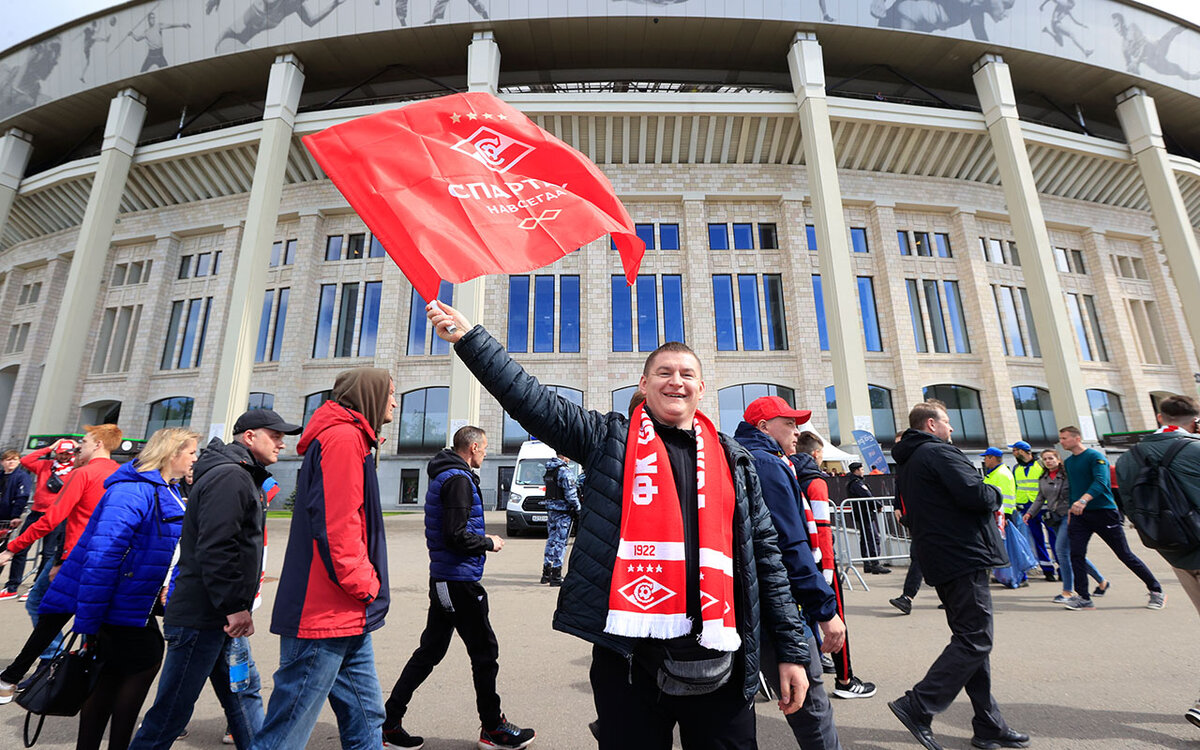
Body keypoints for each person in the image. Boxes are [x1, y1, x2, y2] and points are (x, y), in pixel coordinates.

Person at [428, 301, 810, 750]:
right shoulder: (609, 440)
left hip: (720, 660)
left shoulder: (735, 461)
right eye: (664, 372)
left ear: (702, 388)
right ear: (644, 384)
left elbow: (766, 559)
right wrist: (473, 341)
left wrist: (791, 652)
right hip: (630, 662)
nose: (676, 381)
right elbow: (533, 401)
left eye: (687, 374)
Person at [0, 427, 198, 750]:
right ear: (172, 453)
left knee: (109, 680)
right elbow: (102, 558)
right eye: (191, 452)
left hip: (132, 605)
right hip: (119, 608)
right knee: (138, 664)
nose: (194, 459)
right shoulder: (134, 490)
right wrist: (90, 625)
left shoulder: (164, 488)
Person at [129, 410, 302, 750]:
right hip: (204, 617)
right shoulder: (230, 477)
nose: (283, 442)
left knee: (242, 695)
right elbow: (217, 547)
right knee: (171, 714)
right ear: (250, 436)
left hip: (218, 617)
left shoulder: (240, 474)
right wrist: (234, 607)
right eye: (275, 435)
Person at [250, 368, 395, 750]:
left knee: (368, 717)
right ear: (371, 395)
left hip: (345, 613)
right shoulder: (344, 438)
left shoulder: (351, 438)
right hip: (325, 613)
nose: (395, 402)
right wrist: (364, 583)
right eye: (391, 393)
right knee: (287, 729)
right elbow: (338, 522)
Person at [383, 426, 534, 750]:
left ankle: (389, 723)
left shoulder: (450, 476)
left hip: (448, 579)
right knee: (484, 653)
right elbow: (455, 534)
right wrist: (488, 542)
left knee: (431, 652)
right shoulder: (458, 480)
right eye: (483, 448)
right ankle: (493, 729)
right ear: (474, 446)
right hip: (457, 582)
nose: (484, 453)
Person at [888, 401, 1027, 750]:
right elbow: (977, 495)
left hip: (944, 557)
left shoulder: (909, 460)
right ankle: (919, 704)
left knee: (972, 641)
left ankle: (988, 725)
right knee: (975, 640)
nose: (952, 429)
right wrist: (994, 490)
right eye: (947, 422)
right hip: (963, 555)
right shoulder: (939, 453)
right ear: (932, 424)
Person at [732, 398, 846, 749]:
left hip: (752, 601)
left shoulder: (750, 457)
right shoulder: (767, 464)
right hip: (781, 607)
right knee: (809, 705)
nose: (798, 431)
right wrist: (825, 609)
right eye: (790, 423)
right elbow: (790, 543)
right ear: (764, 427)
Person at [0, 425, 123, 666]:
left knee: (40, 604)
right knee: (89, 613)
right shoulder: (119, 472)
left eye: (84, 442)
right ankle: (72, 664)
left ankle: (50, 662)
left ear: (98, 444)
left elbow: (53, 518)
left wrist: (11, 548)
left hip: (75, 555)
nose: (79, 447)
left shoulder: (83, 473)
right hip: (104, 555)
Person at [1115, 395, 1200, 727]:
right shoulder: (1194, 448)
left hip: (1177, 554)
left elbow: (1131, 509)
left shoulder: (1128, 458)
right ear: (1194, 420)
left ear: (1159, 416)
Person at [791, 434, 875, 702]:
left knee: (807, 617)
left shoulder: (789, 474)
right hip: (819, 560)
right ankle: (845, 679)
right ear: (816, 454)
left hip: (800, 559)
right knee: (836, 618)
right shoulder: (816, 481)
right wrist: (827, 568)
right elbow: (823, 529)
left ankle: (819, 661)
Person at [1058, 425, 1164, 611]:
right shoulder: (1069, 462)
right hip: (1079, 515)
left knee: (1124, 554)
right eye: (1061, 438)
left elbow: (1101, 482)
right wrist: (1071, 510)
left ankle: (1156, 590)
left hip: (1103, 512)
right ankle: (1083, 597)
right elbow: (1074, 488)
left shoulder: (1095, 457)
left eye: (1065, 438)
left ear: (1077, 438)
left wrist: (1084, 500)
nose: (1062, 441)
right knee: (1076, 554)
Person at [1023, 449, 1106, 604]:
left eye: (1051, 458)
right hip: (1054, 518)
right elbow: (1040, 498)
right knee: (1072, 553)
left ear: (1058, 459)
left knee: (1061, 552)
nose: (1048, 461)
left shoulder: (1067, 476)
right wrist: (1030, 513)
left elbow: (1077, 492)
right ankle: (1101, 581)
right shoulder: (1044, 477)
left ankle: (1068, 591)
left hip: (1069, 517)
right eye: (1045, 459)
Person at [6, 438, 77, 600]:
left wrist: (77, 447)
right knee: (21, 548)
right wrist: (50, 447)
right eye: (61, 453)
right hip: (36, 512)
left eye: (67, 453)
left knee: (48, 552)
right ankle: (12, 586)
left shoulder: (75, 470)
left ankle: (36, 587)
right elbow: (25, 460)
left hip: (56, 516)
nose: (64, 456)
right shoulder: (46, 465)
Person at [1009, 441, 1055, 581]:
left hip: (1045, 507)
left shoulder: (1041, 465)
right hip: (1027, 508)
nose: (1014, 453)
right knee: (1037, 539)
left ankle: (1061, 566)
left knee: (1054, 537)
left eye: (1015, 450)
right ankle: (1047, 569)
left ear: (1023, 451)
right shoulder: (1016, 468)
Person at [981, 447, 1024, 588]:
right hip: (1001, 516)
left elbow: (1004, 499)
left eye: (986, 457)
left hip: (1003, 516)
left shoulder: (1001, 474)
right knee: (1004, 547)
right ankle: (1005, 575)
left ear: (992, 458)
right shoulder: (995, 473)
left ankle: (1015, 577)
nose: (984, 460)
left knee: (1009, 548)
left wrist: (1004, 518)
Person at [540, 453, 579, 586]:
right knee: (560, 542)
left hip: (551, 510)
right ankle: (556, 575)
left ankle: (546, 573)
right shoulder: (564, 471)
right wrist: (578, 509)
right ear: (564, 455)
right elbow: (571, 494)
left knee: (551, 540)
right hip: (563, 511)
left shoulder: (549, 469)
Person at [846, 461, 889, 575]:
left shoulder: (852, 482)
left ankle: (867, 564)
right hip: (865, 514)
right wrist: (878, 505)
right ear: (856, 471)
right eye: (861, 469)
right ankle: (875, 564)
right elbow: (867, 496)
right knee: (873, 538)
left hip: (862, 513)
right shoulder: (857, 483)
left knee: (865, 538)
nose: (863, 471)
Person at [0, 449, 33, 594]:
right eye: (8, 459)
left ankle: (13, 584)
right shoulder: (1, 476)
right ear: (2, 462)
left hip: (9, 518)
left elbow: (22, 497)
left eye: (14, 459)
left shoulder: (22, 476)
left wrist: (16, 515)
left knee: (4, 549)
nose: (11, 462)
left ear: (19, 461)